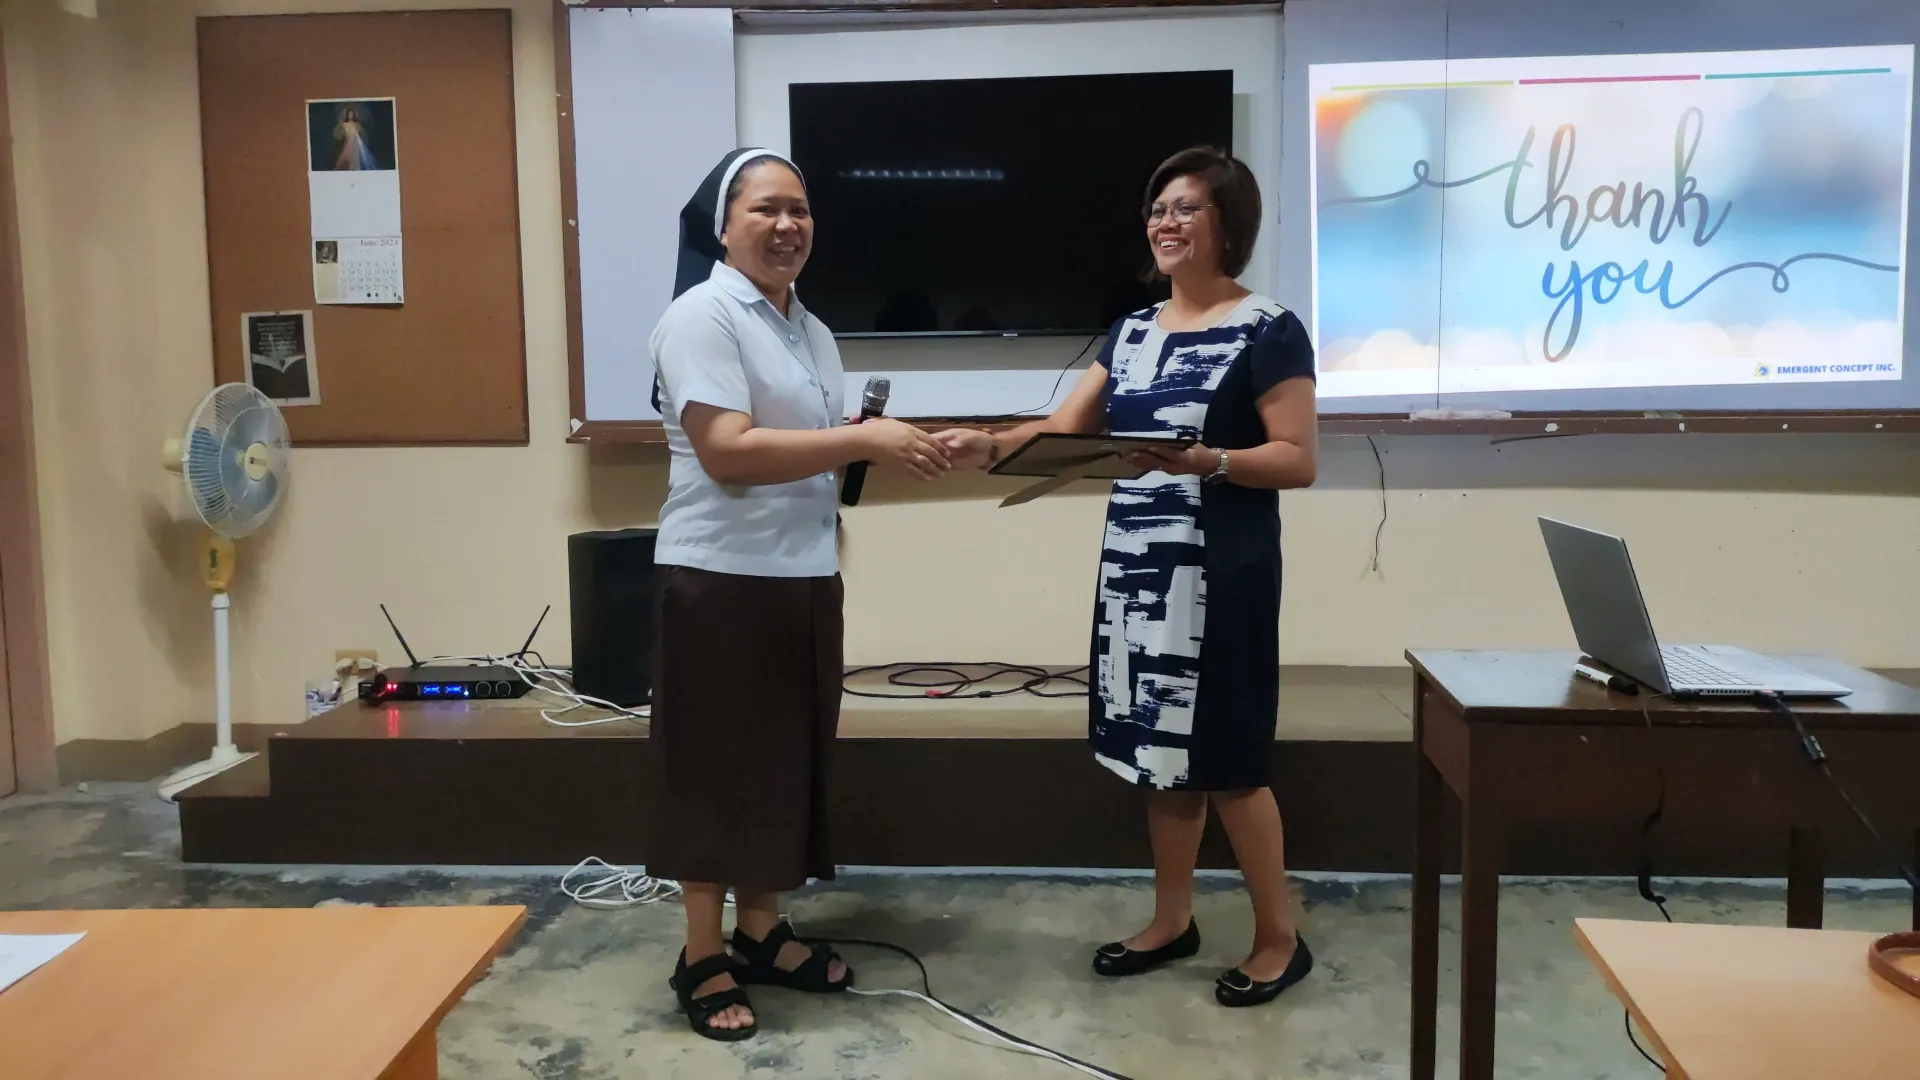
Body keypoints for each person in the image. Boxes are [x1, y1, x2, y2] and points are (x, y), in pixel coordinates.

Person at [936, 146, 1319, 1008]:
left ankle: (1278, 939)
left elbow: (1298, 459)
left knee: (1232, 762)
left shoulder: (1268, 328)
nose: (1166, 222)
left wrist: (1207, 459)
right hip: (1138, 571)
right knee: (1156, 753)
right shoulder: (1134, 331)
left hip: (1222, 570)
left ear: (1230, 225)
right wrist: (987, 444)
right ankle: (1172, 919)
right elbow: (1064, 429)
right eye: (1158, 208)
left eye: (1187, 208)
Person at [646, 147, 952, 1041]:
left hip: (802, 576)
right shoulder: (701, 316)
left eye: (801, 210)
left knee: (782, 763)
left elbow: (807, 445)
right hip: (718, 577)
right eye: (766, 209)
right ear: (723, 226)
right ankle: (701, 953)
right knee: (712, 769)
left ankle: (761, 930)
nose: (788, 226)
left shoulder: (810, 329)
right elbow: (728, 452)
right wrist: (862, 442)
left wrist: (873, 440)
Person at [333, 106, 378, 171]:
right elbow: (338, 134)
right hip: (348, 143)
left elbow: (362, 133)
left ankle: (357, 169)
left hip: (357, 143)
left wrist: (360, 138)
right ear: (347, 115)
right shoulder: (344, 124)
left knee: (358, 157)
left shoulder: (357, 124)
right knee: (349, 158)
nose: (350, 116)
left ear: (353, 115)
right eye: (349, 114)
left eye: (352, 114)